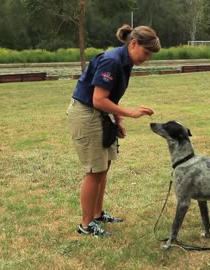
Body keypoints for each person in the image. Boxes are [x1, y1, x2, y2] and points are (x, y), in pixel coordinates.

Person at [66, 24, 160, 236]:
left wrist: (118, 120)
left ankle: (97, 214)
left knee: (104, 166)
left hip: (100, 114)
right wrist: (130, 113)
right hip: (86, 115)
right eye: (145, 53)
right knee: (94, 170)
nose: (146, 59)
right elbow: (98, 99)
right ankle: (86, 224)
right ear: (133, 44)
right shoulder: (112, 60)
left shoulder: (126, 61)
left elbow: (110, 97)